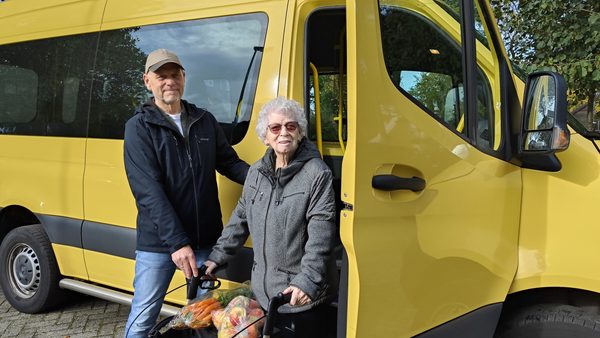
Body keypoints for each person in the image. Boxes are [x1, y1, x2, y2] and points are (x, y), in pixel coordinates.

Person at [123, 48, 249, 337]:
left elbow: (229, 163)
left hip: (205, 242)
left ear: (184, 77)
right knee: (144, 317)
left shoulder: (204, 120)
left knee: (201, 318)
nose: (169, 82)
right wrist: (177, 243)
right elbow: (148, 192)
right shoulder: (138, 128)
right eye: (161, 76)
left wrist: (265, 177)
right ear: (147, 81)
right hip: (160, 244)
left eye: (174, 75)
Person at [204, 97, 338, 337]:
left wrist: (306, 281)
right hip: (265, 294)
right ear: (266, 136)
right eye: (275, 128)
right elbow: (240, 217)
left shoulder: (317, 174)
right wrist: (217, 256)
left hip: (298, 297)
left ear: (300, 133)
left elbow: (321, 235)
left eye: (291, 126)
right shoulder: (256, 172)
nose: (283, 133)